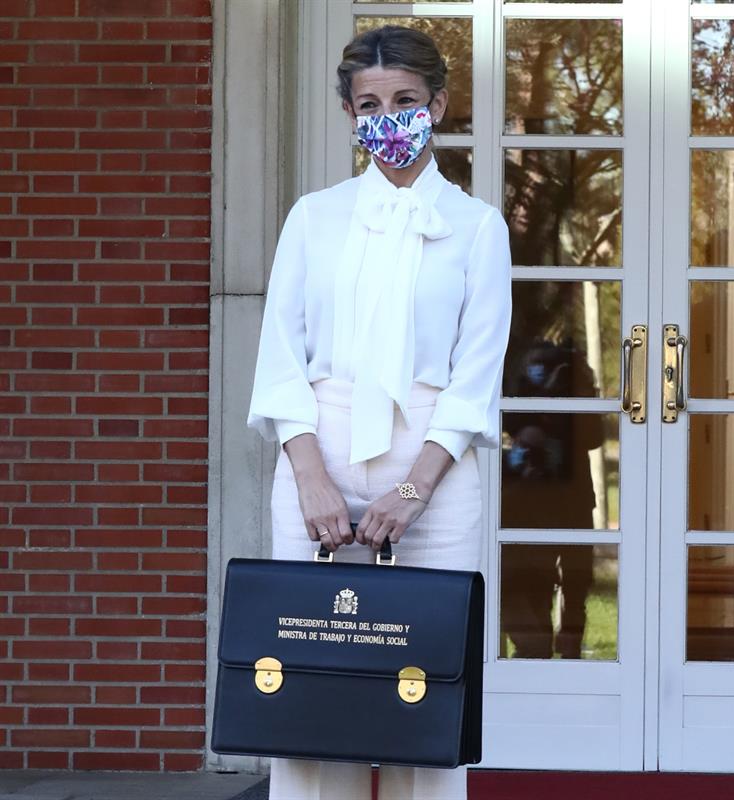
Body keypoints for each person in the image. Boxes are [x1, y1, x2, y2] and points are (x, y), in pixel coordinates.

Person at [246, 24, 512, 800]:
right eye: (370, 105)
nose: (389, 119)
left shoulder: (476, 227)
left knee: (421, 699)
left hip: (434, 469)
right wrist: (311, 480)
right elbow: (280, 358)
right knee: (308, 694)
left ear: (438, 103)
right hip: (316, 459)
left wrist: (413, 491)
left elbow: (475, 375)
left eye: (405, 101)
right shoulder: (313, 216)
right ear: (349, 113)